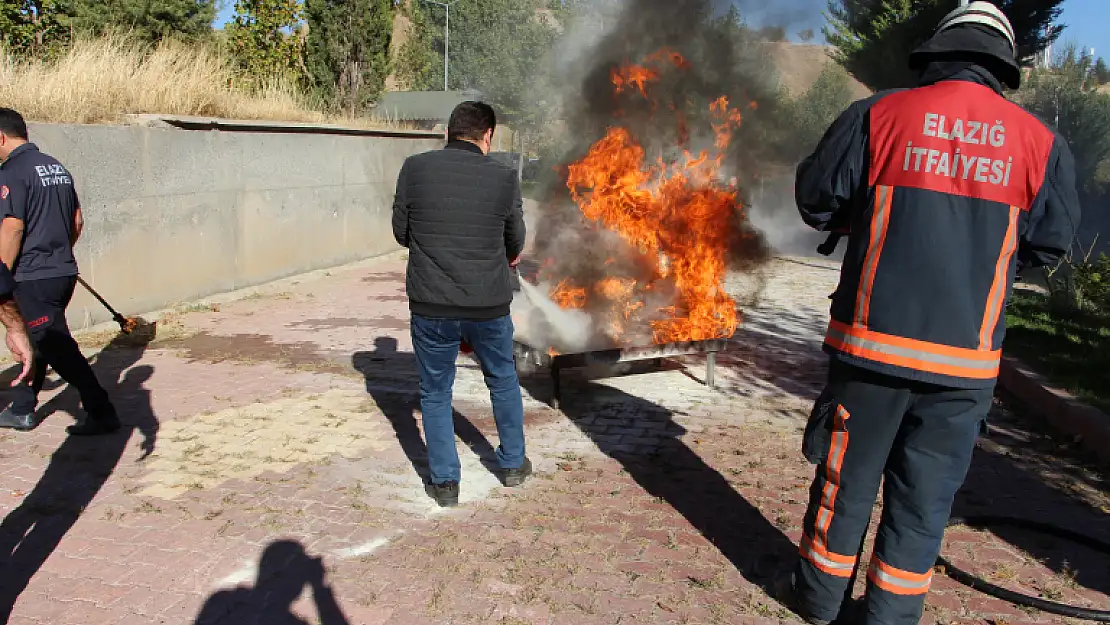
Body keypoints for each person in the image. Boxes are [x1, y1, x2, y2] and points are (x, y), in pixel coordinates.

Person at [779, 4, 1081, 625]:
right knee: (924, 499)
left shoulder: (879, 115)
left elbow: (816, 199)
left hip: (872, 348)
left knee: (846, 483)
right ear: (1003, 64)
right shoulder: (1040, 142)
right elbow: (1049, 243)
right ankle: (891, 615)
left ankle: (816, 600)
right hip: (965, 363)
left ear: (936, 52)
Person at [391, 101, 530, 507]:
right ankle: (512, 465)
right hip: (488, 305)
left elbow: (402, 232)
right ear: (487, 136)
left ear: (448, 132)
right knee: (502, 379)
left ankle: (445, 483)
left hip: (431, 303)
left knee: (435, 392)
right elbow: (515, 242)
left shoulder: (415, 169)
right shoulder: (504, 176)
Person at [0, 108, 119, 434]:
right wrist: (59, 252)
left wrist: (2, 273)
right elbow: (77, 220)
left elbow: (11, 227)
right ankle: (23, 408)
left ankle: (101, 410)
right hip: (60, 272)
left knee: (56, 346)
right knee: (38, 341)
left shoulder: (11, 172)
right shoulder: (56, 167)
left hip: (33, 276)